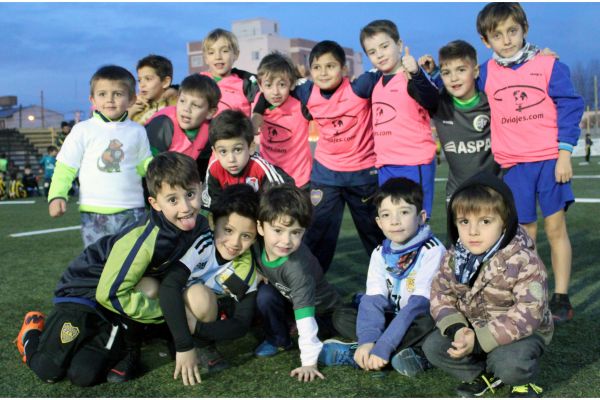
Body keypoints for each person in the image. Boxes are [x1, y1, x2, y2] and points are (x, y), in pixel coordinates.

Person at [14, 152, 209, 387]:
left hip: (115, 305)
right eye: (173, 200)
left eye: (190, 194)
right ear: (155, 203)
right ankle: (31, 333)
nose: (186, 207)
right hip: (84, 293)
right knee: (49, 370)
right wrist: (171, 314)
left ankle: (124, 337)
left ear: (201, 188)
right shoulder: (145, 239)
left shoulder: (202, 225)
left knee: (83, 375)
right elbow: (109, 293)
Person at [476, 2, 584, 323]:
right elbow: (454, 88)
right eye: (498, 35)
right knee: (525, 234)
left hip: (551, 161)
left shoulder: (549, 65)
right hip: (514, 166)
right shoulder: (485, 72)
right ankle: (529, 293)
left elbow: (570, 107)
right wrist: (424, 69)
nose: (507, 40)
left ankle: (561, 297)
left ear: (525, 28)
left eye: (513, 31)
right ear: (486, 41)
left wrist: (564, 154)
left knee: (555, 228)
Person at [422, 171, 553, 398]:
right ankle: (482, 376)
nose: (473, 231)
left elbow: (529, 313)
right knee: (433, 347)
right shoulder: (455, 256)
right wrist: (458, 329)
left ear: (505, 221)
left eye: (485, 221)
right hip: (474, 328)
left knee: (509, 363)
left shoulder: (523, 259)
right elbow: (440, 294)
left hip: (520, 334)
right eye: (464, 222)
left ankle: (519, 382)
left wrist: (480, 341)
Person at [262, 39, 385, 273]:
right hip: (326, 175)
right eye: (317, 67)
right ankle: (311, 289)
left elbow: (389, 74)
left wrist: (418, 70)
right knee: (317, 234)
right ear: (310, 71)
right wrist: (258, 112)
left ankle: (390, 286)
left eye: (330, 66)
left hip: (363, 175)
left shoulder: (360, 87)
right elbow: (269, 85)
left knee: (375, 234)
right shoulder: (306, 91)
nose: (323, 72)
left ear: (344, 69)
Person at [318, 178, 446, 377]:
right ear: (379, 222)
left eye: (404, 212)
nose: (394, 221)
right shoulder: (380, 252)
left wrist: (384, 344)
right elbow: (373, 299)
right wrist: (368, 339)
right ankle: (387, 352)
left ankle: (362, 354)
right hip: (392, 318)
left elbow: (417, 306)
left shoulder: (433, 250)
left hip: (416, 318)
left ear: (421, 217)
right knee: (342, 316)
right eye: (386, 215)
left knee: (429, 323)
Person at [143, 184, 261, 375]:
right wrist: (183, 344)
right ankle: (141, 341)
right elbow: (169, 286)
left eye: (246, 236)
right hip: (169, 307)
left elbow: (241, 325)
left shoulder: (246, 270)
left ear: (256, 237)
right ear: (213, 223)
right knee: (147, 287)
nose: (235, 243)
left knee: (200, 295)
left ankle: (203, 346)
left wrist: (196, 328)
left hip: (198, 318)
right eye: (228, 230)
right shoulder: (201, 244)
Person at [48, 65, 152, 248]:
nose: (110, 100)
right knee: (98, 264)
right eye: (102, 94)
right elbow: (66, 166)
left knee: (130, 261)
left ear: (132, 99)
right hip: (94, 211)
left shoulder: (138, 131)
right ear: (93, 100)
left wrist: (163, 169)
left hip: (132, 210)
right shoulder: (82, 130)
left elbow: (144, 165)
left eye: (118, 94)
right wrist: (57, 195)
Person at [252, 184, 343, 382]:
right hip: (290, 301)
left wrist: (309, 362)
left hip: (322, 312)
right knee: (265, 294)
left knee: (344, 323)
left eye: (296, 232)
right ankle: (278, 340)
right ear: (260, 227)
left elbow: (305, 317)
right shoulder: (255, 244)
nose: (286, 241)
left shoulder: (297, 268)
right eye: (278, 230)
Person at [359, 20, 440, 217]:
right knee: (391, 220)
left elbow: (432, 101)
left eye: (384, 46)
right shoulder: (376, 84)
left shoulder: (410, 77)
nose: (379, 54)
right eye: (372, 51)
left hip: (413, 162)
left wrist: (417, 73)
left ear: (400, 45)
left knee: (416, 220)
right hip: (385, 165)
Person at [418, 40, 500, 201]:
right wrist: (418, 73)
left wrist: (539, 58)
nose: (454, 78)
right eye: (447, 73)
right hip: (458, 194)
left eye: (461, 70)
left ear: (476, 71)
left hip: (494, 191)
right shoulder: (440, 103)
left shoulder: (492, 100)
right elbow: (431, 89)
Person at [197, 28, 261, 178]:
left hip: (240, 154)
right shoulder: (199, 83)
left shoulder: (245, 83)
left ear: (236, 54)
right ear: (205, 58)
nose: (218, 57)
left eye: (224, 51)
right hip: (210, 156)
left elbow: (262, 101)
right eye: (211, 52)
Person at [202, 109, 293, 211]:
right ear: (215, 152)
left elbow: (280, 201)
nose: (231, 159)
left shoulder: (260, 168)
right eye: (223, 151)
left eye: (237, 150)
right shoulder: (214, 169)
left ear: (251, 147)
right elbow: (212, 205)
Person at [252, 52, 313, 190]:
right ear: (260, 86)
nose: (275, 92)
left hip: (300, 180)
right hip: (270, 178)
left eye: (281, 85)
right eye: (268, 85)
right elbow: (257, 113)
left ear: (292, 85)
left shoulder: (300, 105)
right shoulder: (259, 101)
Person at [145, 74, 220, 160]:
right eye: (182, 101)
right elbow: (149, 164)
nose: (186, 109)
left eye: (195, 105)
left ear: (210, 112)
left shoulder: (210, 130)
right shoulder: (163, 123)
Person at [128, 54, 178, 126]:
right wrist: (129, 114)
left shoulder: (177, 105)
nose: (142, 85)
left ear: (165, 82)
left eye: (148, 79)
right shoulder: (136, 108)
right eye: (139, 80)